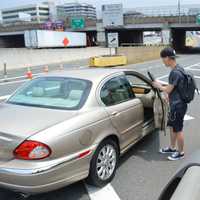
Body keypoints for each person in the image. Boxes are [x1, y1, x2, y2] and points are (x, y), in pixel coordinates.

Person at [153, 47, 187, 161]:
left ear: (167, 58)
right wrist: (168, 94)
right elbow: (173, 89)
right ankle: (172, 148)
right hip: (176, 103)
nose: (162, 61)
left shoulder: (175, 72)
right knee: (173, 127)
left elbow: (168, 89)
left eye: (163, 58)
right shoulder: (179, 68)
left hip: (178, 106)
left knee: (178, 129)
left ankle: (181, 152)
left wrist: (158, 86)